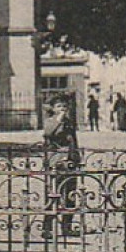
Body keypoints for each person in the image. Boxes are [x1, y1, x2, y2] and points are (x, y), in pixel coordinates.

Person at [43, 97, 81, 238]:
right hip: (56, 162)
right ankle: (47, 229)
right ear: (53, 109)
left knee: (70, 195)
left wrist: (76, 156)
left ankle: (67, 227)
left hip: (70, 161)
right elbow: (49, 133)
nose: (62, 108)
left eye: (64, 106)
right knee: (54, 195)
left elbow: (73, 141)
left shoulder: (69, 123)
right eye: (59, 106)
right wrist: (58, 119)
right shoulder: (50, 121)